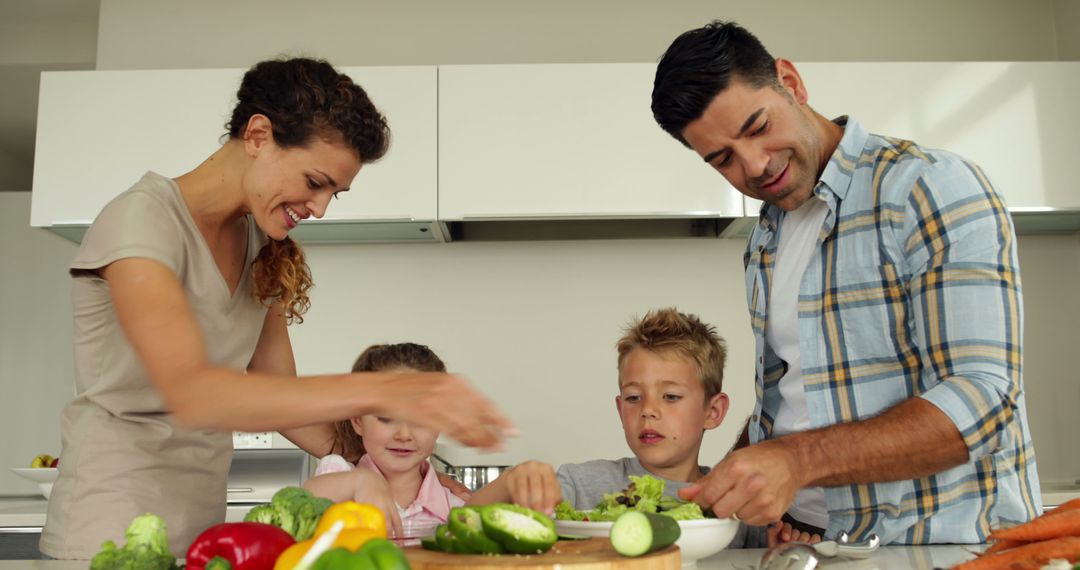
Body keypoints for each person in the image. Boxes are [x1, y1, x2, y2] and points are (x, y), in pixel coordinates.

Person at [41, 57, 513, 560]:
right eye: (315, 182)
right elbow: (193, 393)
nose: (321, 208)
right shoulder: (141, 221)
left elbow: (283, 400)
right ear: (259, 135)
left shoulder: (257, 244)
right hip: (107, 531)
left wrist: (410, 475)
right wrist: (384, 388)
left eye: (335, 192)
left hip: (201, 526)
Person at [649, 21, 1041, 546]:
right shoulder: (767, 235)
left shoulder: (927, 187)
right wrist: (739, 479)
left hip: (938, 548)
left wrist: (795, 461)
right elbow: (792, 399)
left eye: (758, 126)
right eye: (722, 159)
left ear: (791, 81)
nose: (755, 166)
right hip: (812, 546)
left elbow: (985, 399)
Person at [468, 308, 819, 546]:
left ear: (713, 411)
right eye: (634, 398)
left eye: (670, 397)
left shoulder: (736, 502)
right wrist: (513, 484)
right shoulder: (581, 485)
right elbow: (460, 523)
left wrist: (779, 552)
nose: (649, 411)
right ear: (620, 409)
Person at [303, 343, 466, 543]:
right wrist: (360, 482)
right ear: (358, 421)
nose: (404, 434)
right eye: (387, 418)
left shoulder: (454, 507)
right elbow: (304, 501)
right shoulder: (341, 474)